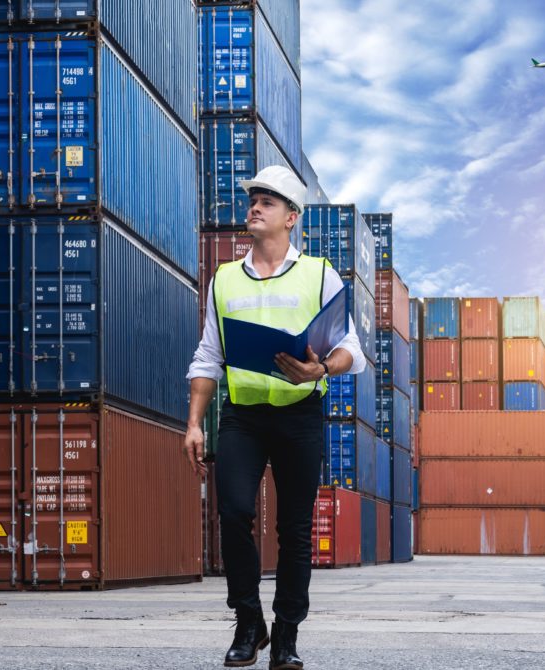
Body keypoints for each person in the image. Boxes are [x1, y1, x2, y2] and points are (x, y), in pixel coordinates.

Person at [184, 165, 366, 669]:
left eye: (267, 200)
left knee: (294, 529)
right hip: (242, 414)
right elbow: (207, 358)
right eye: (253, 199)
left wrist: (320, 368)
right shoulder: (223, 279)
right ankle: (249, 623)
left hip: (300, 415)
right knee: (234, 513)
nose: (255, 206)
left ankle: (286, 635)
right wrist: (195, 423)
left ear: (291, 218)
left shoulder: (320, 273)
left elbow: (352, 347)